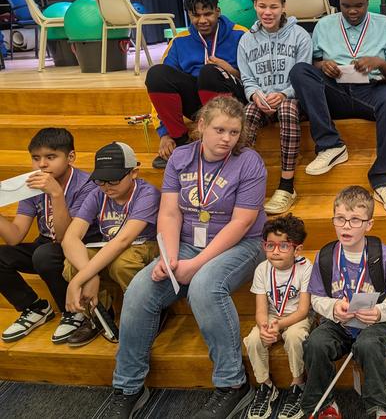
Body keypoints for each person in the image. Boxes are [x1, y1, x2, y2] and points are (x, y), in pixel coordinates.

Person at [105, 97, 267, 419]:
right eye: (220, 130)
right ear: (202, 126)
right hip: (186, 245)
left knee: (205, 287)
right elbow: (169, 212)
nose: (227, 139)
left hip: (241, 245)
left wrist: (196, 264)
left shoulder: (249, 162)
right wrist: (170, 256)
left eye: (234, 132)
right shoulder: (180, 157)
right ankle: (129, 388)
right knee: (139, 289)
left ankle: (233, 385)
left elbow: (242, 222)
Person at [289, 0, 386, 213]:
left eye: (358, 6)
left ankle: (383, 180)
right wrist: (325, 66)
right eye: (346, 6)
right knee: (300, 70)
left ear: (367, 1)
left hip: (371, 90)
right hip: (336, 90)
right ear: (338, 3)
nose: (352, 11)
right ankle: (331, 145)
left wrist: (378, 62)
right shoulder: (324, 25)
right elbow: (317, 62)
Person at [300, 186, 386, 419]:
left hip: (374, 322)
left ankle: (382, 410)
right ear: (334, 220)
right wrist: (333, 309)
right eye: (340, 218)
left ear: (369, 224)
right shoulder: (325, 256)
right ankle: (323, 405)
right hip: (340, 322)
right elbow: (316, 298)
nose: (346, 226)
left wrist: (379, 312)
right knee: (316, 343)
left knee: (369, 345)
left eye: (355, 220)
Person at [0, 128, 97, 344]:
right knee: (6, 255)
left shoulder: (87, 185)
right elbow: (15, 237)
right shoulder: (33, 184)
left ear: (70, 157)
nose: (42, 164)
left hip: (80, 247)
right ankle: (35, 307)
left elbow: (66, 238)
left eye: (50, 157)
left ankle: (73, 311)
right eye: (36, 158)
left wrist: (56, 194)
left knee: (44, 255)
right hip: (47, 244)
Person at [61, 142, 160, 347]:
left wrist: (79, 279)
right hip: (109, 246)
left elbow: (124, 240)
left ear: (134, 172)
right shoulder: (98, 194)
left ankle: (148, 310)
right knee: (72, 263)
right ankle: (100, 315)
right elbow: (70, 238)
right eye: (100, 180)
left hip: (144, 246)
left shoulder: (148, 194)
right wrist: (88, 275)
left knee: (122, 262)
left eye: (113, 180)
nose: (106, 186)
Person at [146, 0, 249, 169]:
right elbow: (160, 90)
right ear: (189, 15)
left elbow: (256, 78)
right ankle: (181, 143)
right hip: (197, 102)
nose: (202, 20)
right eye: (196, 15)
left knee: (209, 72)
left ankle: (217, 140)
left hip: (232, 100)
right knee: (156, 74)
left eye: (208, 14)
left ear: (218, 11)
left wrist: (230, 71)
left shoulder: (241, 35)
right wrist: (164, 133)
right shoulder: (179, 41)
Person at [239, 0, 312, 214]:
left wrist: (283, 94)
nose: (267, 12)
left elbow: (304, 75)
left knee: (288, 109)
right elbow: (247, 78)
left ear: (283, 7)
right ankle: (241, 181)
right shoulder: (246, 40)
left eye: (273, 7)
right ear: (254, 6)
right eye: (262, 6)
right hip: (262, 102)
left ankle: (286, 186)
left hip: (293, 101)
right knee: (247, 112)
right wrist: (255, 96)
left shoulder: (300, 35)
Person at [243, 214, 312, 419]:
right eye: (269, 245)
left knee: (295, 337)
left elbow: (303, 310)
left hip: (296, 317)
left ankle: (298, 384)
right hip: (272, 316)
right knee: (254, 339)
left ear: (297, 249)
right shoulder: (262, 269)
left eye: (283, 246)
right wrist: (265, 326)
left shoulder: (306, 268)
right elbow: (261, 310)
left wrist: (280, 325)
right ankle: (265, 386)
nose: (275, 251)